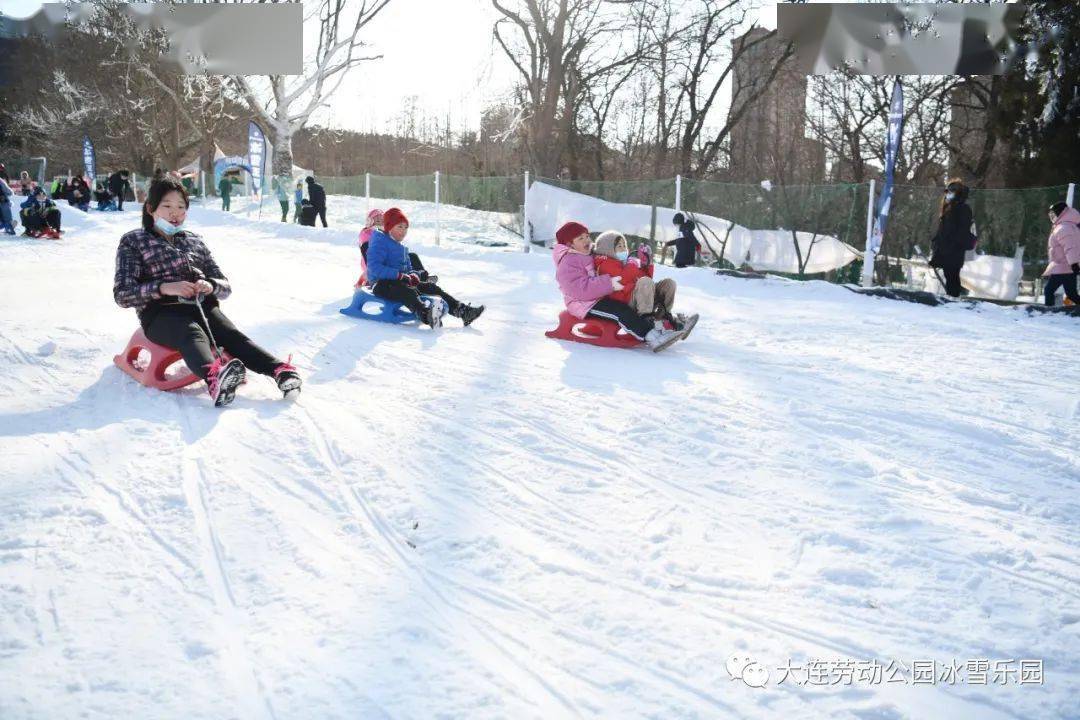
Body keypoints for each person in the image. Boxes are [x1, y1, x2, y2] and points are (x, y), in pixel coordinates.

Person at [113, 177, 301, 407]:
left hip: (201, 306)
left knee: (232, 336)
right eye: (167, 206)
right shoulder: (134, 241)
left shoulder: (194, 241)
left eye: (181, 207)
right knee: (191, 333)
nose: (175, 213)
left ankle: (280, 371)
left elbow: (225, 285)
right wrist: (164, 287)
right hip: (161, 314)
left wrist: (210, 285)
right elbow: (123, 293)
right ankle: (216, 379)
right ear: (150, 209)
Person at [553, 221, 686, 352]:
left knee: (622, 308)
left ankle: (665, 323)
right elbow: (578, 289)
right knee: (620, 312)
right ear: (569, 244)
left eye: (587, 236)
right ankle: (650, 336)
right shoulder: (568, 262)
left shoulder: (588, 254)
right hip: (583, 304)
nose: (587, 240)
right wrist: (608, 283)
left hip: (598, 297)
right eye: (580, 238)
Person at [366, 207, 484, 328]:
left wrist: (413, 275)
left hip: (399, 281)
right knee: (405, 290)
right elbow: (374, 267)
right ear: (389, 227)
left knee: (430, 287)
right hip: (381, 284)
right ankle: (426, 314)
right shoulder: (379, 242)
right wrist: (400, 275)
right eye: (399, 227)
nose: (403, 231)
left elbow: (408, 268)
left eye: (406, 227)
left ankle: (463, 312)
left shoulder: (400, 247)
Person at [593, 230, 697, 337]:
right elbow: (623, 278)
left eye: (624, 245)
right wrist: (632, 264)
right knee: (645, 282)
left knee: (669, 284)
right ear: (608, 248)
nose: (624, 248)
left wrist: (646, 264)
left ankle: (664, 317)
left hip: (641, 297)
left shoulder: (625, 262)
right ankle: (647, 321)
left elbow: (646, 279)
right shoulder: (604, 263)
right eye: (619, 246)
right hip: (626, 301)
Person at [929, 178, 975, 298]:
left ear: (957, 193)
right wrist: (936, 243)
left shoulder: (963, 209)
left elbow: (961, 231)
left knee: (952, 276)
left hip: (954, 250)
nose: (948, 194)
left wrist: (950, 245)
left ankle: (954, 300)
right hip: (946, 249)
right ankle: (952, 299)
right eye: (947, 191)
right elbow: (943, 230)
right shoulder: (948, 208)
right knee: (950, 276)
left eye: (951, 192)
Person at [1042, 201, 1080, 307]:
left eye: (1053, 214)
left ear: (1060, 213)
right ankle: (1049, 312)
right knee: (1072, 294)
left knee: (1049, 290)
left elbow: (1071, 247)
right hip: (1066, 266)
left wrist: (1074, 263)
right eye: (1050, 215)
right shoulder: (1066, 226)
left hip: (1064, 266)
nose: (1051, 217)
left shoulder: (1064, 228)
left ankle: (1048, 312)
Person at [356, 208, 384, 287]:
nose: (380, 222)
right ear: (370, 221)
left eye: (382, 220)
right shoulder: (365, 232)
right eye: (377, 220)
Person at [0, 167, 16, 235]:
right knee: (7, 218)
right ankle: (9, 228)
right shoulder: (0, 181)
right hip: (3, 201)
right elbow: (9, 192)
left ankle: (8, 227)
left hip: (2, 201)